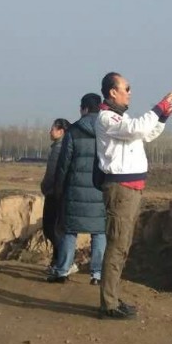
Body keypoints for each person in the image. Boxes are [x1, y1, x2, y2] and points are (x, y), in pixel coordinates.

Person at [95, 73, 172, 319]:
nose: (130, 92)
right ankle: (108, 304)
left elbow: (146, 133)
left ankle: (113, 298)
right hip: (121, 190)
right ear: (112, 92)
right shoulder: (107, 118)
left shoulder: (121, 118)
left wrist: (162, 117)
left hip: (131, 189)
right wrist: (158, 107)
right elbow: (137, 128)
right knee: (117, 244)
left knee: (123, 246)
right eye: (126, 88)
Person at [49, 93, 105, 285]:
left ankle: (63, 271)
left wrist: (58, 188)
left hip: (75, 191)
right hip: (100, 191)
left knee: (69, 231)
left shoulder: (73, 131)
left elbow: (64, 163)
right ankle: (96, 275)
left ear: (84, 108)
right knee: (99, 232)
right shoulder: (108, 129)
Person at [40, 118, 71, 275]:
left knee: (51, 229)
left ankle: (65, 260)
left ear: (61, 131)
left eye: (53, 128)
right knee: (53, 229)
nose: (50, 131)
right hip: (56, 193)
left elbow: (53, 174)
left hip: (55, 194)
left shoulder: (60, 149)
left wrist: (46, 186)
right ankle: (58, 261)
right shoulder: (58, 147)